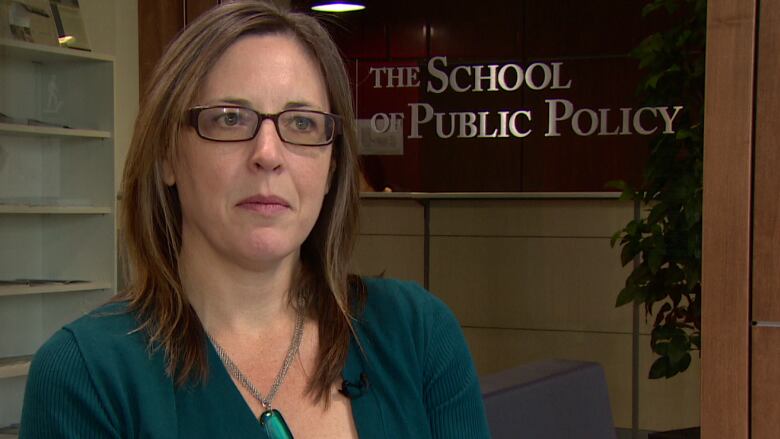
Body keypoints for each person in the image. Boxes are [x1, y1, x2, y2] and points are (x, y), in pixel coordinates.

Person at [20, 1, 489, 438]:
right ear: (167, 155)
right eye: (229, 118)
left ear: (330, 169)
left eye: (302, 124)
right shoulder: (86, 374)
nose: (268, 154)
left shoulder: (418, 332)